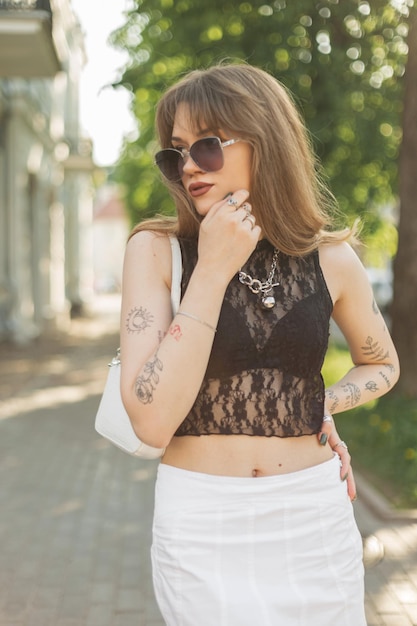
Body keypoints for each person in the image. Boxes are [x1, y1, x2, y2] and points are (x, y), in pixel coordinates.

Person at [119, 63, 399, 625]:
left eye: (207, 145)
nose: (189, 165)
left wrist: (328, 402)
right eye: (175, 153)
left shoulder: (330, 258)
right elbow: (149, 420)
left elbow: (382, 364)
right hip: (202, 522)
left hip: (313, 517)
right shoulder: (156, 251)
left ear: (264, 140)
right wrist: (212, 270)